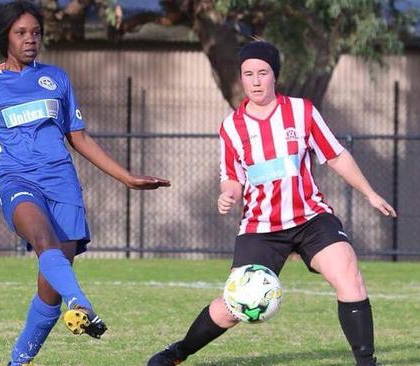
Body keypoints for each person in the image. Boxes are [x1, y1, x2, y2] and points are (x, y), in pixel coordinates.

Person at [0, 2, 170, 365]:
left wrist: (128, 178)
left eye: (36, 33)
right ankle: (82, 303)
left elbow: (80, 138)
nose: (30, 40)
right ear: (5, 37)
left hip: (62, 182)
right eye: (21, 33)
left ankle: (18, 361)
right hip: (16, 179)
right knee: (43, 241)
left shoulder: (56, 79)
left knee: (49, 293)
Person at [147, 40, 396, 366]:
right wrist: (229, 194)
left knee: (349, 273)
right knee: (233, 306)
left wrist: (370, 193)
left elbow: (335, 155)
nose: (255, 80)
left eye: (262, 73)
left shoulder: (301, 111)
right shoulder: (231, 126)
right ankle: (177, 353)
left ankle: (366, 363)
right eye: (248, 74)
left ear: (274, 76)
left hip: (310, 218)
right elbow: (232, 177)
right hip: (261, 227)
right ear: (241, 78)